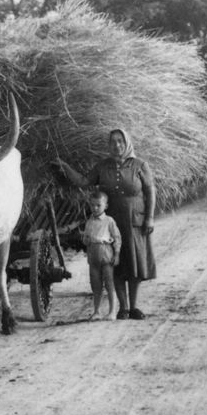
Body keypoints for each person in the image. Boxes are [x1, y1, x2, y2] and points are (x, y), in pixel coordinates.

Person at [54, 128, 157, 320]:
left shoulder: (140, 165)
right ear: (108, 145)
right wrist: (66, 167)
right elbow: (84, 181)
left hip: (135, 221)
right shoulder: (103, 167)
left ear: (126, 143)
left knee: (134, 263)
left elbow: (151, 191)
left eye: (120, 141)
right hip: (111, 223)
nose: (117, 145)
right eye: (113, 142)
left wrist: (150, 218)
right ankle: (123, 308)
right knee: (114, 264)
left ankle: (134, 306)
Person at [82, 189, 122, 321]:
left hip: (105, 251)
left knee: (109, 282)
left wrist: (116, 254)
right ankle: (97, 311)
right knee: (96, 284)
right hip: (93, 253)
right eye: (92, 205)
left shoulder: (109, 221)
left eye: (98, 205)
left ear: (106, 206)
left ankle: (112, 312)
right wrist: (86, 240)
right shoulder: (89, 222)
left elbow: (117, 238)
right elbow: (86, 238)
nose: (95, 208)